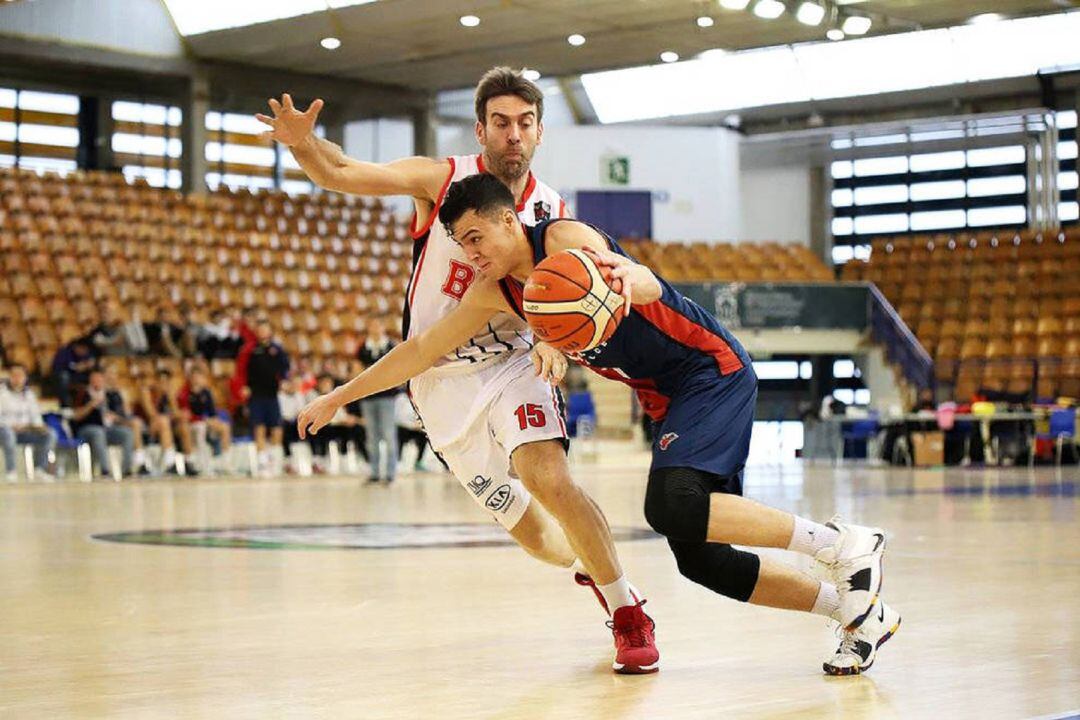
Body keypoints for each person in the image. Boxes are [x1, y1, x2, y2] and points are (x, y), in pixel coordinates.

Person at [330, 172, 898, 676]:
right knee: (703, 559)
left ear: (510, 220)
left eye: (477, 238)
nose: (471, 254)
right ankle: (856, 611)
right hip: (667, 400)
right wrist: (340, 396)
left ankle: (843, 542)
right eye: (460, 244)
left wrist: (632, 279)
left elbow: (644, 281)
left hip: (709, 370)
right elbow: (423, 349)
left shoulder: (566, 241)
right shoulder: (494, 291)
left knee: (669, 503)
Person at [264, 68, 658, 674]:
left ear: (540, 133)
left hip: (511, 364)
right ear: (481, 129)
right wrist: (303, 144)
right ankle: (591, 562)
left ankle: (626, 611)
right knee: (540, 542)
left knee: (549, 478)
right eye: (501, 123)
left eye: (525, 124)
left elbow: (573, 303)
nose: (513, 136)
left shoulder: (553, 211)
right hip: (437, 379)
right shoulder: (442, 180)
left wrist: (555, 342)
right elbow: (340, 173)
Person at [357, 318, 400, 484]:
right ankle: (374, 472)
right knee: (371, 436)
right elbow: (357, 369)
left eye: (378, 325)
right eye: (372, 325)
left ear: (383, 327)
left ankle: (390, 473)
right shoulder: (363, 348)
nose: (375, 329)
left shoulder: (390, 346)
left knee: (389, 434)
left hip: (387, 397)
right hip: (368, 397)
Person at [71, 369, 134, 478]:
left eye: (100, 380)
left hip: (109, 429)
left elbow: (123, 417)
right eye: (94, 380)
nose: (97, 382)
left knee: (127, 433)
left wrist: (115, 417)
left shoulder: (110, 395)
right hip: (87, 429)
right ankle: (105, 470)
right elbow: (76, 416)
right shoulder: (82, 394)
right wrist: (90, 405)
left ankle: (126, 470)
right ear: (90, 381)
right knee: (98, 432)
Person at [245, 318, 290, 473]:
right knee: (259, 427)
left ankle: (275, 458)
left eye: (265, 328)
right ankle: (262, 461)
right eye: (260, 329)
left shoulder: (277, 349)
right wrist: (245, 387)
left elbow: (285, 368)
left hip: (272, 394)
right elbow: (244, 371)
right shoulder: (251, 350)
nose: (263, 332)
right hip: (256, 394)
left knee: (277, 427)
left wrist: (284, 381)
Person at [0, 364, 57, 481]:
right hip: (5, 430)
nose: (17, 378)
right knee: (8, 433)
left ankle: (40, 469)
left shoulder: (29, 395)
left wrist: (39, 427)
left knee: (50, 434)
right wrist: (10, 426)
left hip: (26, 430)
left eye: (20, 375)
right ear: (9, 377)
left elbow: (36, 416)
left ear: (25, 378)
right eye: (14, 375)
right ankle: (11, 471)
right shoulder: (2, 393)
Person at [178, 367, 232, 473]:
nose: (196, 379)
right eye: (194, 377)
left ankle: (225, 461)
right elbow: (186, 414)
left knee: (225, 427)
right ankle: (195, 463)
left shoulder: (206, 392)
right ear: (190, 378)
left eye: (199, 376)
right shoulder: (185, 392)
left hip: (206, 422)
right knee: (199, 427)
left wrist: (214, 421)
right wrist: (204, 419)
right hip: (192, 424)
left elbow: (212, 413)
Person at [140, 370, 190, 474]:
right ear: (155, 382)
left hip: (166, 426)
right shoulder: (146, 392)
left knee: (183, 426)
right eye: (161, 382)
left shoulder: (168, 395)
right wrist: (174, 415)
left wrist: (173, 403)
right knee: (163, 421)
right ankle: (169, 463)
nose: (164, 385)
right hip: (149, 427)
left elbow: (176, 412)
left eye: (166, 382)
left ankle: (189, 462)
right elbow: (152, 415)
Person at [103, 366, 149, 474]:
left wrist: (125, 402)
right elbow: (107, 416)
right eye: (109, 373)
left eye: (114, 373)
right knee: (134, 426)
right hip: (111, 425)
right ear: (104, 375)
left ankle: (139, 460)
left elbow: (127, 412)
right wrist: (123, 420)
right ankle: (139, 461)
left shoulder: (121, 392)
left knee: (136, 424)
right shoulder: (103, 392)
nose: (112, 376)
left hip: (124, 421)